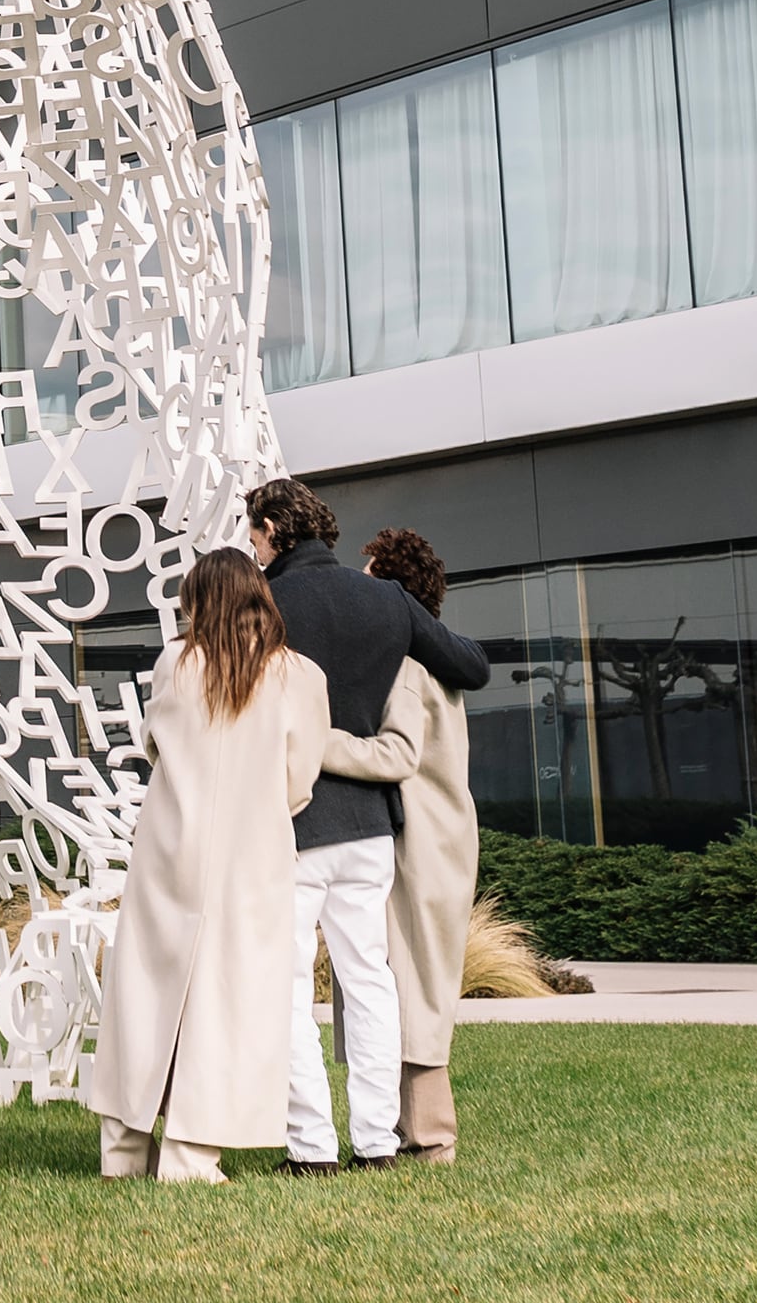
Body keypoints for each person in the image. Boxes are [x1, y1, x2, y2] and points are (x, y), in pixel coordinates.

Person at [248, 476, 488, 1175]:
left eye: (253, 534)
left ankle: (312, 1149)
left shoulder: (264, 602)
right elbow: (470, 665)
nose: (252, 548)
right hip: (371, 830)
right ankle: (377, 1144)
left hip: (291, 822)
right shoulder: (386, 600)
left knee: (290, 988)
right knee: (372, 983)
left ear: (271, 528)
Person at [88, 545, 329, 1184]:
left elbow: (151, 743)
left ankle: (124, 1152)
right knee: (229, 1002)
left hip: (169, 849)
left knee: (144, 996)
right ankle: (193, 1155)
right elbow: (300, 779)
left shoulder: (175, 663)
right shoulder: (299, 676)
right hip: (253, 858)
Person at [321, 524, 474, 1163]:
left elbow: (396, 755)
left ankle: (430, 1137)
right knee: (413, 982)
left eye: (369, 576)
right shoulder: (438, 665)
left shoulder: (407, 668)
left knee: (402, 982)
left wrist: (312, 741)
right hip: (442, 839)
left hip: (416, 844)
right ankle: (417, 1134)